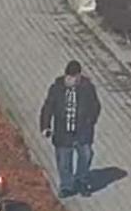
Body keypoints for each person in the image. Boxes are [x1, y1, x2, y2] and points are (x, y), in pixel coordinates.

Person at [40, 60, 101, 198]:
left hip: (82, 131)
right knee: (63, 160)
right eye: (68, 77)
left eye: (73, 78)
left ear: (78, 77)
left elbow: (95, 106)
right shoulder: (56, 89)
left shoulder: (88, 89)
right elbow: (48, 107)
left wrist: (90, 121)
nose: (69, 80)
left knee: (86, 155)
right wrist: (46, 126)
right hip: (63, 131)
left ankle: (81, 180)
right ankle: (67, 185)